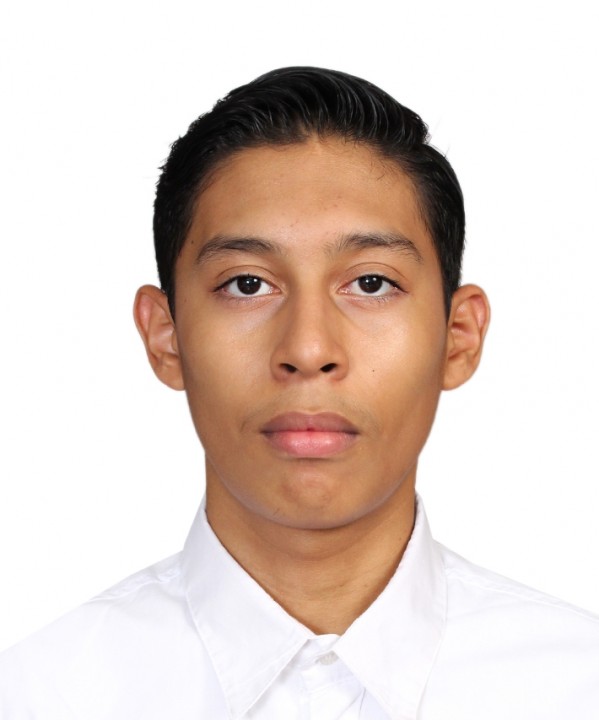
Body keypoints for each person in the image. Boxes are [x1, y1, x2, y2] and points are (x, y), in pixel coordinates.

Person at [0, 66, 597, 719]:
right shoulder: (37, 695)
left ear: (458, 336)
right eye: (247, 284)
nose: (308, 349)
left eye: (370, 283)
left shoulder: (575, 687)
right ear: (165, 335)